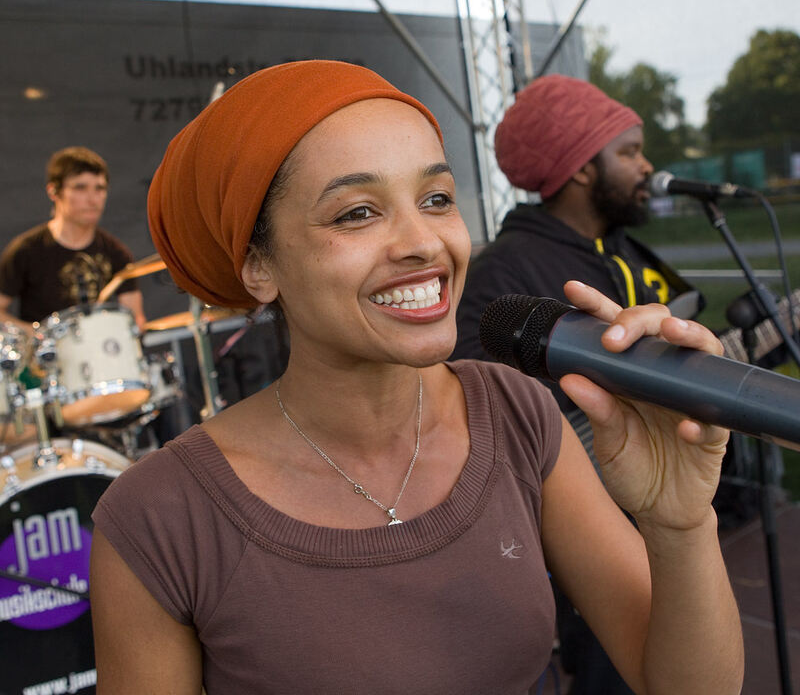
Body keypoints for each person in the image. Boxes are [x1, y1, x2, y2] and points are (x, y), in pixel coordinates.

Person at [89, 61, 743, 694]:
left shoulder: (518, 414)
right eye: (357, 213)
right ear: (258, 266)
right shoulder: (159, 515)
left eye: (436, 199)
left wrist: (680, 524)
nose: (423, 243)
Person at [452, 75, 704, 694]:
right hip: (589, 539)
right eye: (629, 150)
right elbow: (477, 411)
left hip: (669, 521)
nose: (646, 165)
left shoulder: (630, 254)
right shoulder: (505, 274)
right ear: (582, 168)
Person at [0, 146, 145, 331]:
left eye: (99, 188)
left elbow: (136, 319)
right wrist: (34, 334)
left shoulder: (117, 253)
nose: (93, 199)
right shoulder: (24, 251)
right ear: (53, 191)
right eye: (80, 188)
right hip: (45, 356)